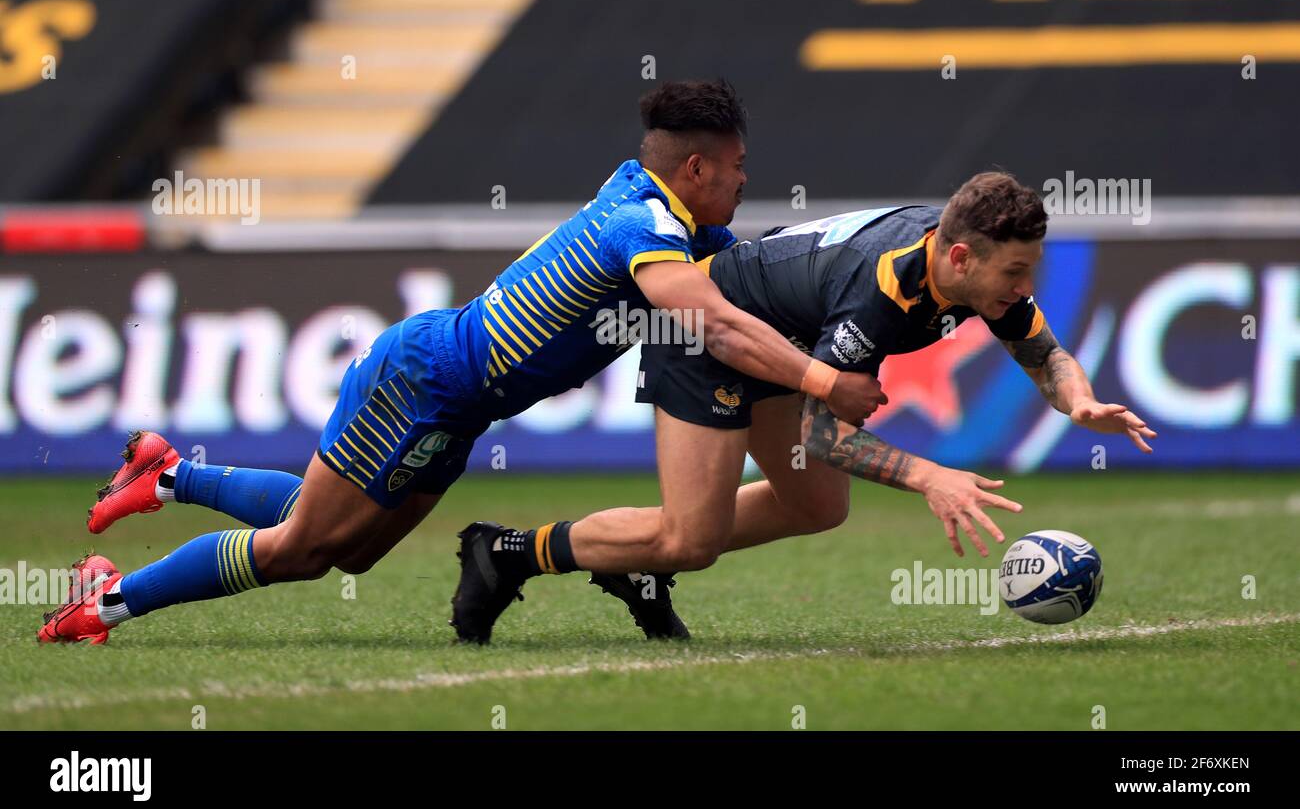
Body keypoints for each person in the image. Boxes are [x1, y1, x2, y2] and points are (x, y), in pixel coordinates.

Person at [37, 79, 885, 645]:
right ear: (695, 169)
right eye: (736, 169)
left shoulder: (666, 206)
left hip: (462, 406)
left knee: (353, 548)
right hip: (422, 380)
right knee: (302, 547)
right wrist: (822, 378)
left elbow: (743, 282)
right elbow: (710, 320)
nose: (745, 181)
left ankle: (171, 472)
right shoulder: (644, 229)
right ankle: (107, 599)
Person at [451, 171, 1157, 643]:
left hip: (791, 349)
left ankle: (636, 562)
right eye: (1015, 271)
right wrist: (928, 477)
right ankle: (509, 552)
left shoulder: (973, 275)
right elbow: (827, 434)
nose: (1025, 285)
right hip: (711, 342)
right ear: (962, 257)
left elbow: (1042, 351)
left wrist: (1080, 400)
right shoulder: (882, 289)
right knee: (689, 540)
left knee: (819, 507)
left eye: (1030, 268)